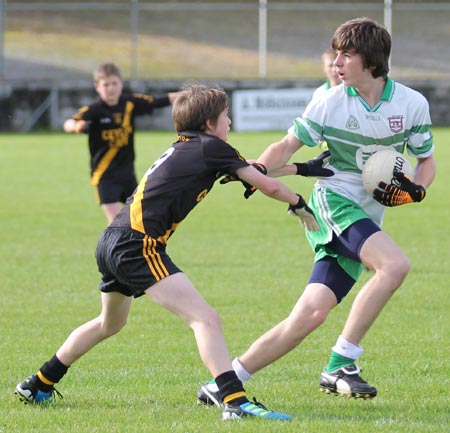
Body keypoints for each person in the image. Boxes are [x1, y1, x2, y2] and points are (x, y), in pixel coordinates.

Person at [15, 83, 333, 421]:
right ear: (210, 123)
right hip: (138, 244)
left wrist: (304, 168)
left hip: (112, 240)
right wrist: (299, 203)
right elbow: (265, 183)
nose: (230, 121)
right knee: (205, 318)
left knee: (109, 323)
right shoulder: (213, 148)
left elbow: (256, 170)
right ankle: (235, 402)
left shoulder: (191, 147)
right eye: (226, 116)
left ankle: (39, 382)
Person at [197, 17, 436, 406]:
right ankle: (342, 364)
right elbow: (286, 146)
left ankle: (222, 384)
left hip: (367, 216)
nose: (336, 62)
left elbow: (426, 160)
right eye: (335, 54)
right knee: (394, 266)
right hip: (334, 204)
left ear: (372, 60)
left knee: (308, 317)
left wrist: (418, 190)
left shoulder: (411, 104)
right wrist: (256, 169)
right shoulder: (329, 101)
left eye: (347, 54)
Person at [63, 62, 180, 224]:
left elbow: (159, 100)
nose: (111, 88)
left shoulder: (129, 103)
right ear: (97, 87)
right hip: (105, 176)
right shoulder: (94, 110)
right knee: (116, 223)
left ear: (121, 84)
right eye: (106, 85)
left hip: (128, 175)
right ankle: (112, 249)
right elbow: (68, 123)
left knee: (140, 221)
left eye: (114, 83)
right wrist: (76, 126)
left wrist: (190, 95)